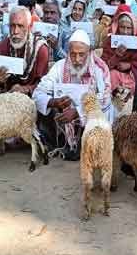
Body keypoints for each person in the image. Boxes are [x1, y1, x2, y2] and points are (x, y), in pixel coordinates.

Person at [33, 30, 112, 160]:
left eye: (82, 55)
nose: (77, 60)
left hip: (89, 118)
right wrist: (54, 102)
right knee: (44, 110)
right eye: (73, 54)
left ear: (90, 52)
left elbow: (105, 98)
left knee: (100, 113)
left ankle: (83, 146)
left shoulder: (100, 69)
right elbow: (38, 93)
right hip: (64, 119)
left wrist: (77, 112)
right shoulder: (59, 67)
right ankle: (61, 144)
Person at [0, 6, 49, 95]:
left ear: (29, 27)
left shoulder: (40, 49)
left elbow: (44, 84)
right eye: (12, 26)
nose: (15, 31)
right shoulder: (4, 45)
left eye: (20, 26)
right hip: (7, 97)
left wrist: (26, 89)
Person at [101, 6, 137, 95]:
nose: (125, 31)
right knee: (113, 75)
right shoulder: (110, 41)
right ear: (117, 27)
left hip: (132, 77)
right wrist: (116, 57)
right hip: (113, 77)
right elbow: (102, 66)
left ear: (134, 29)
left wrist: (130, 65)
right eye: (122, 27)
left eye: (129, 28)